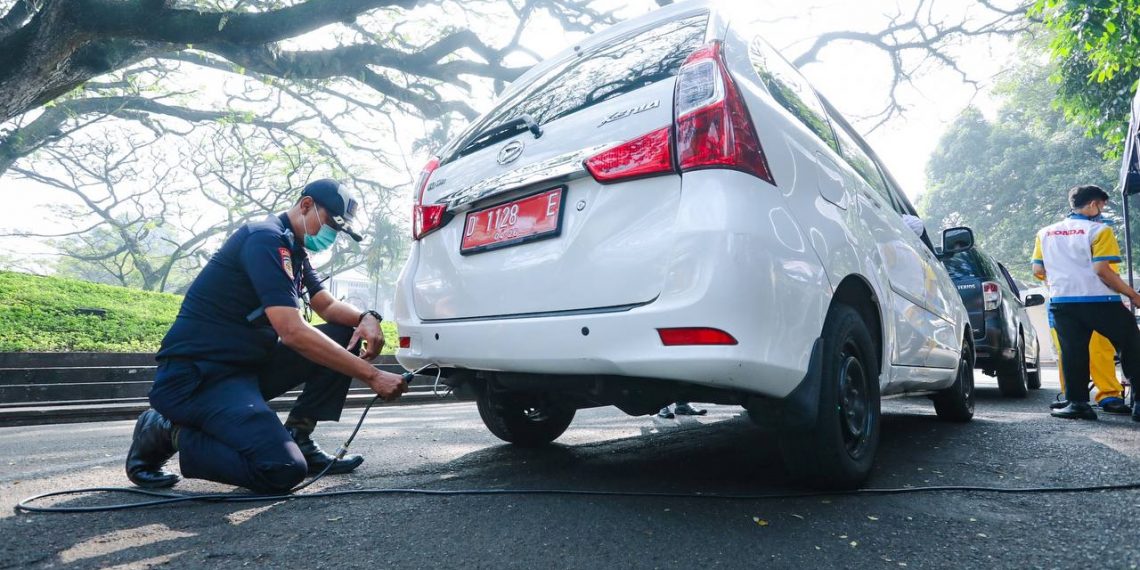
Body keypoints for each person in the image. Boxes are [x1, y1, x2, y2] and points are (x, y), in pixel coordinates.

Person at [125, 179, 408, 494]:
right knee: (282, 469)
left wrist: (367, 318)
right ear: (305, 205)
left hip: (245, 368)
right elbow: (291, 332)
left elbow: (326, 305)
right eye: (329, 223)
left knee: (344, 333)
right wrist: (372, 375)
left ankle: (300, 435)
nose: (331, 235)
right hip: (199, 378)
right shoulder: (264, 240)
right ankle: (167, 430)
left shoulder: (293, 250)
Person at [1031, 184, 1140, 421]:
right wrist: (1132, 294)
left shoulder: (1045, 233)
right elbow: (1103, 270)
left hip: (1063, 302)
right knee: (1131, 345)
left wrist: (1063, 278)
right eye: (1101, 205)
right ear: (1093, 205)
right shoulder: (1100, 231)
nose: (1101, 210)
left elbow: (1038, 269)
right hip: (1101, 300)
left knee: (1073, 353)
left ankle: (1078, 404)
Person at [1046, 316, 1132, 415]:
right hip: (1061, 306)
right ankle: (1073, 396)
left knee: (1099, 347)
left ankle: (1108, 393)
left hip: (1096, 306)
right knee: (1067, 350)